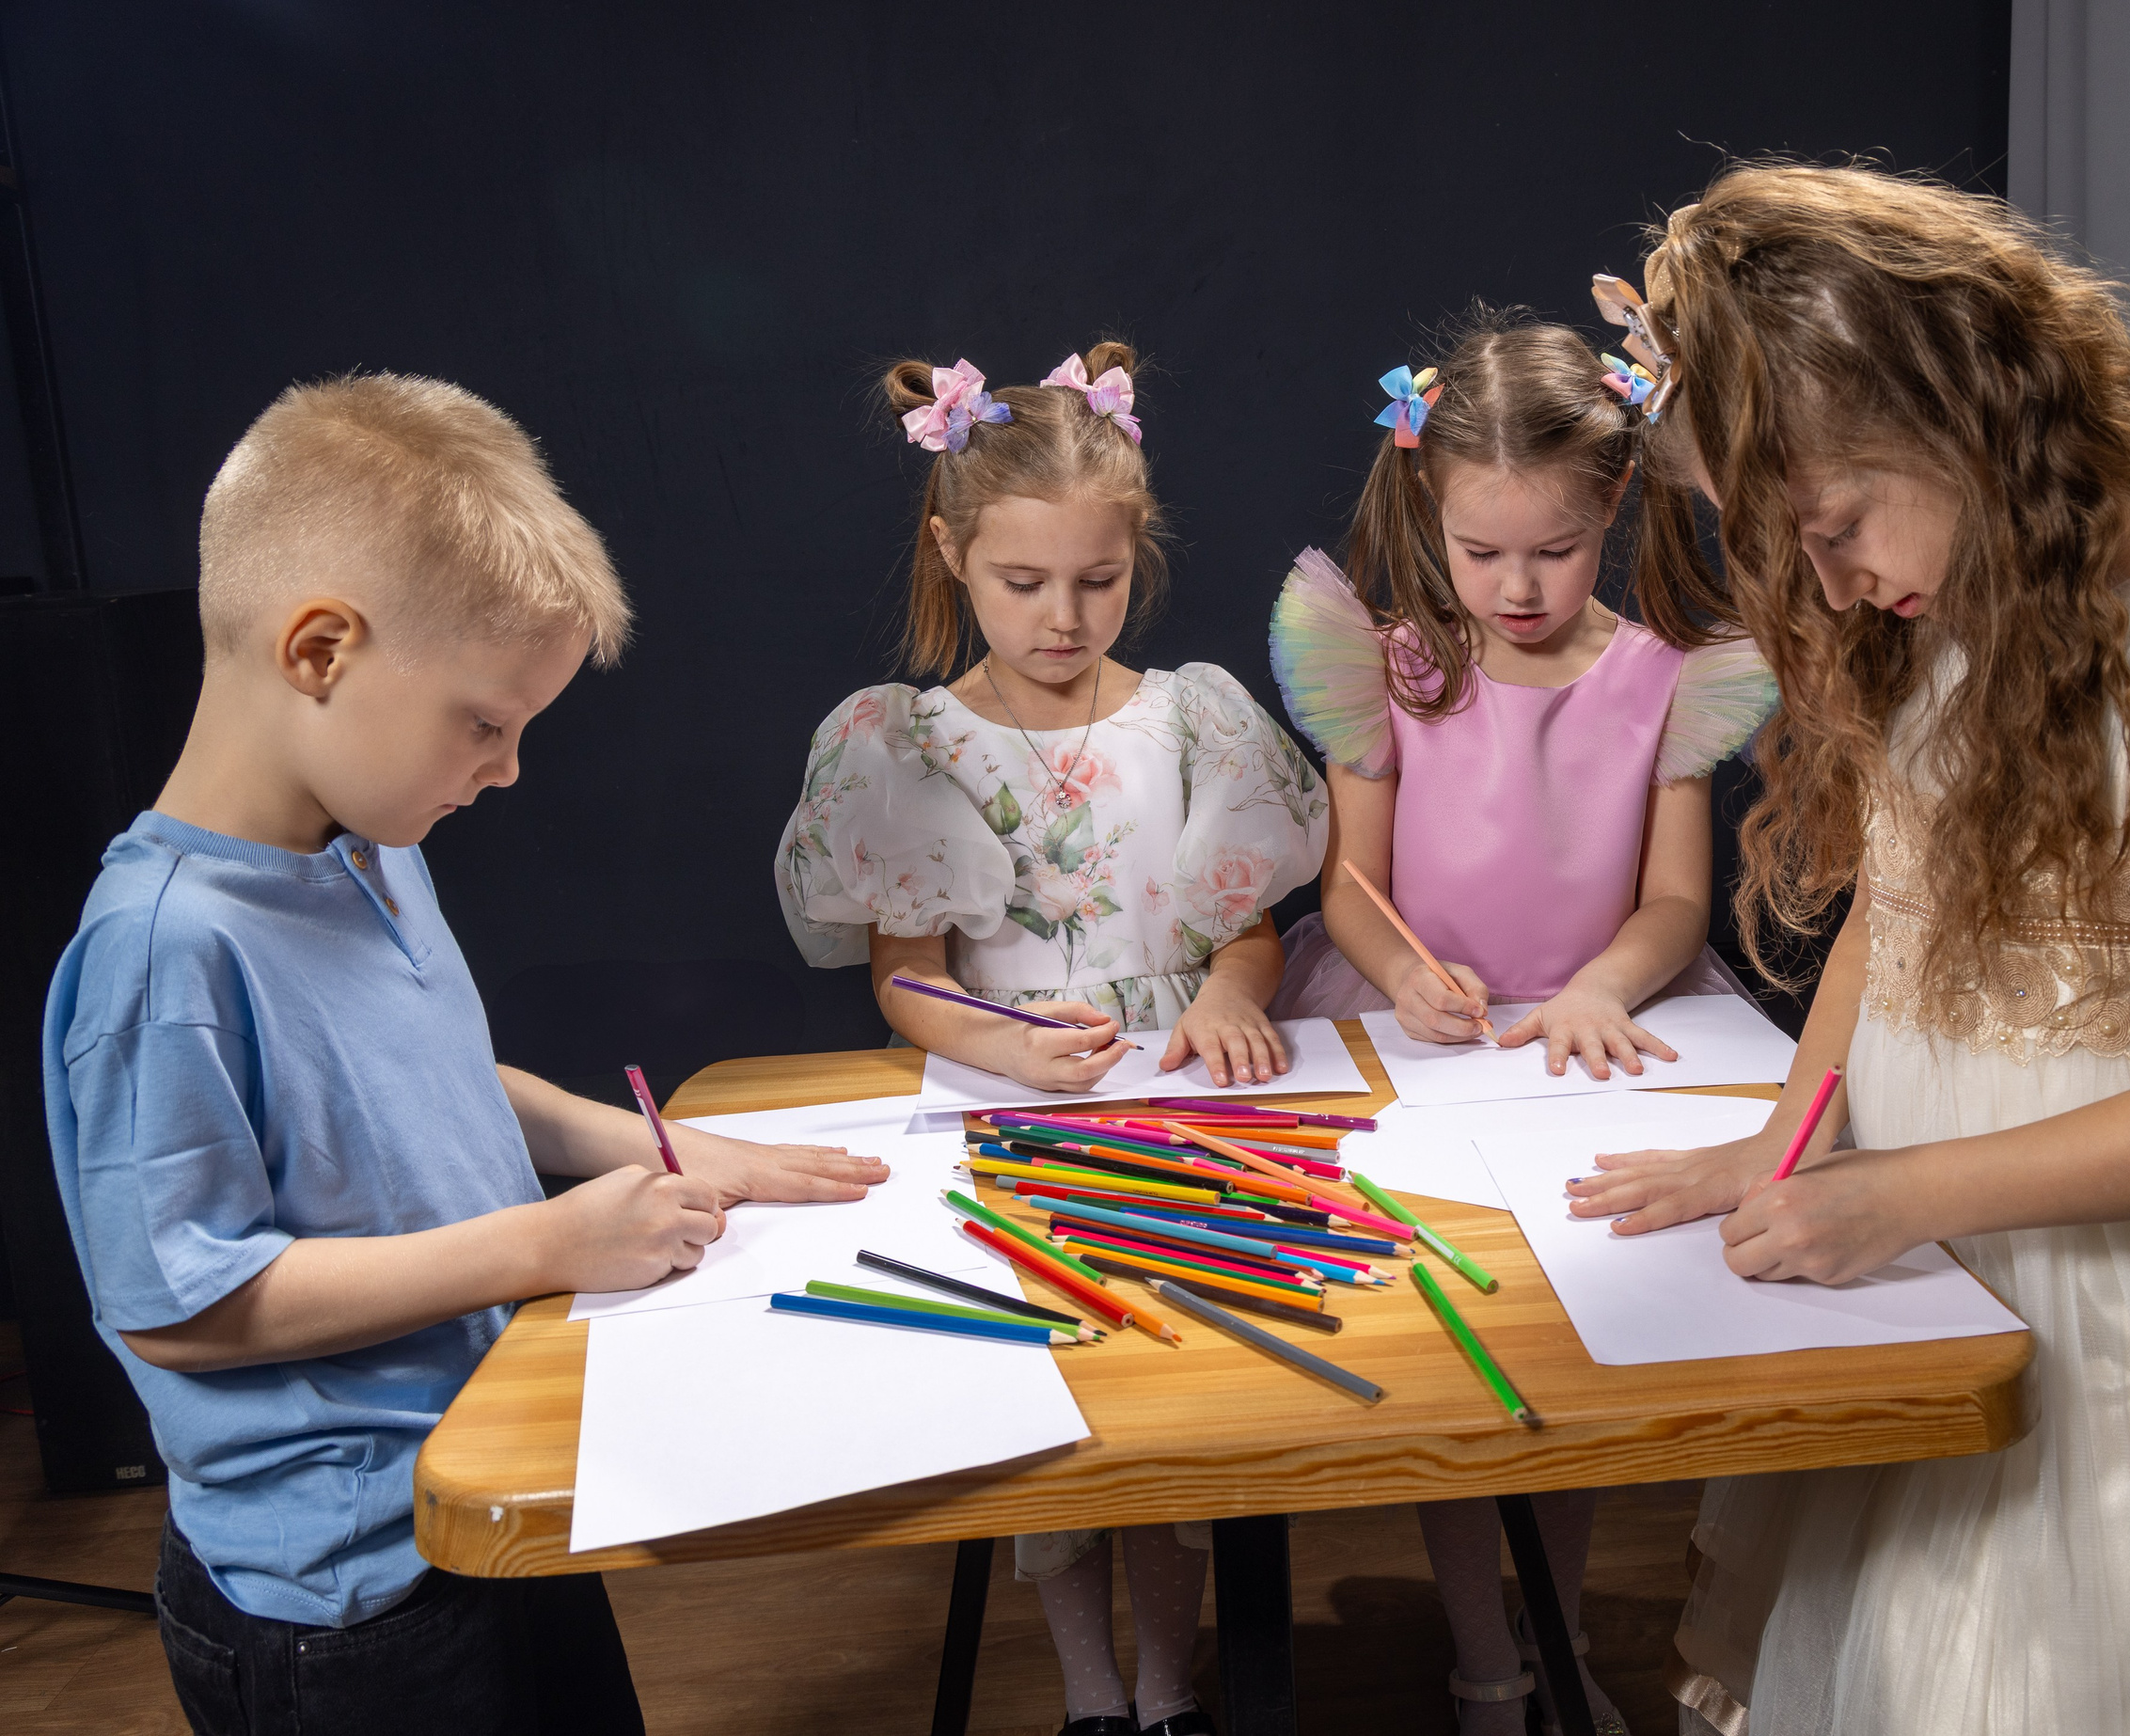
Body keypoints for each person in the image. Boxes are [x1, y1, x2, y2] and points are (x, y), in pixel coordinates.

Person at [1573, 164, 2130, 1734]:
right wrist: (1788, 1139)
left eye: (1830, 525)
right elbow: (1896, 918)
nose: (1828, 584)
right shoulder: (1944, 638)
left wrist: (1895, 1191)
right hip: (1937, 1280)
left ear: (1954, 412)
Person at [42, 374, 890, 1736]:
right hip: (344, 1602)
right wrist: (543, 1248)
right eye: (485, 724)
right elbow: (177, 1305)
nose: (505, 771)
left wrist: (646, 1140)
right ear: (319, 651)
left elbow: (417, 1085)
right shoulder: (163, 954)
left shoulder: (372, 850)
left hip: (486, 1482)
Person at [775, 343, 1327, 1736]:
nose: (1065, 615)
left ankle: (1166, 1688)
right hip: (1016, 1110)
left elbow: (1245, 924)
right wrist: (999, 1044)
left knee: (1163, 1414)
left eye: (1100, 580)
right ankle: (1089, 1691)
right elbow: (904, 980)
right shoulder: (911, 740)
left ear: (1137, 553)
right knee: (1059, 1417)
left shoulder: (1192, 714)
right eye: (1025, 584)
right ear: (953, 550)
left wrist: (1233, 992)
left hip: (1177, 1104)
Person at [1265, 308, 1774, 1736]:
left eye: (1551, 550)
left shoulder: (1664, 671)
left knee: (1573, 1350)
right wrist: (1403, 964)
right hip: (1415, 1027)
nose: (1516, 585)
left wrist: (1610, 979)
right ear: (1430, 508)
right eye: (1481, 553)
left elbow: (1677, 899)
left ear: (1612, 501)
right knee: (1458, 1339)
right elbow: (1348, 882)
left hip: (1589, 1035)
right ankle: (1487, 1655)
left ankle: (1557, 1637)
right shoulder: (1397, 660)